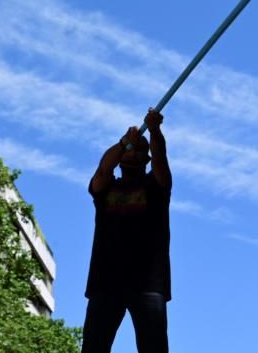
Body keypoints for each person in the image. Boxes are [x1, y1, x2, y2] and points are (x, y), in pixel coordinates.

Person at [82, 108, 171, 353]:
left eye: (138, 149)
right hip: (106, 281)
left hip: (149, 284)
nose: (132, 151)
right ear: (121, 157)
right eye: (129, 149)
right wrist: (123, 142)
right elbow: (102, 169)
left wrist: (154, 130)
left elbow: (162, 161)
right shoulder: (105, 188)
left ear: (146, 159)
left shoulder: (157, 187)